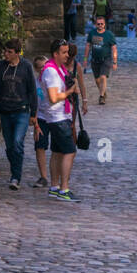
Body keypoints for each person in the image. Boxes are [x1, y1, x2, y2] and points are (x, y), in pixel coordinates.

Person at [0, 39, 38, 191]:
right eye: (5, 51)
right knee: (10, 147)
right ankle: (14, 171)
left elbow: (32, 90)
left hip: (21, 111)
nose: (6, 54)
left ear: (17, 53)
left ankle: (16, 176)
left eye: (9, 52)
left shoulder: (26, 67)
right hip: (5, 112)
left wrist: (33, 113)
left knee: (17, 142)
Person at [38, 39, 79, 200]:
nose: (67, 55)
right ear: (55, 54)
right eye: (64, 52)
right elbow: (54, 97)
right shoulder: (52, 72)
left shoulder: (58, 69)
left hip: (57, 116)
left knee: (57, 152)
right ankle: (64, 189)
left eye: (67, 52)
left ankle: (54, 186)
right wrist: (70, 92)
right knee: (70, 152)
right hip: (58, 117)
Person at [83, 14, 118, 104]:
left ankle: (101, 96)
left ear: (104, 24)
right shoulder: (92, 33)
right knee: (97, 80)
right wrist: (85, 59)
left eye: (102, 24)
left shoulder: (109, 35)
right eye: (98, 24)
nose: (100, 25)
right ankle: (103, 91)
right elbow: (88, 46)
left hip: (105, 59)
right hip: (95, 59)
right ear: (95, 24)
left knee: (103, 77)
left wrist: (114, 62)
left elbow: (114, 48)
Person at [31, 55, 50, 187]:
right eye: (41, 67)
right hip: (42, 117)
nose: (44, 69)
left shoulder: (56, 79)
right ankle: (43, 176)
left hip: (56, 117)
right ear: (36, 69)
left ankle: (58, 176)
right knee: (40, 146)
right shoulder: (35, 83)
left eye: (46, 65)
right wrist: (35, 122)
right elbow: (34, 103)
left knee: (58, 148)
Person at [65, 40, 88, 139]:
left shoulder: (76, 66)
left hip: (73, 99)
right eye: (69, 57)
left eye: (72, 57)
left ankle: (71, 147)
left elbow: (82, 84)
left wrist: (84, 101)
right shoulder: (60, 64)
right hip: (61, 97)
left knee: (71, 124)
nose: (70, 59)